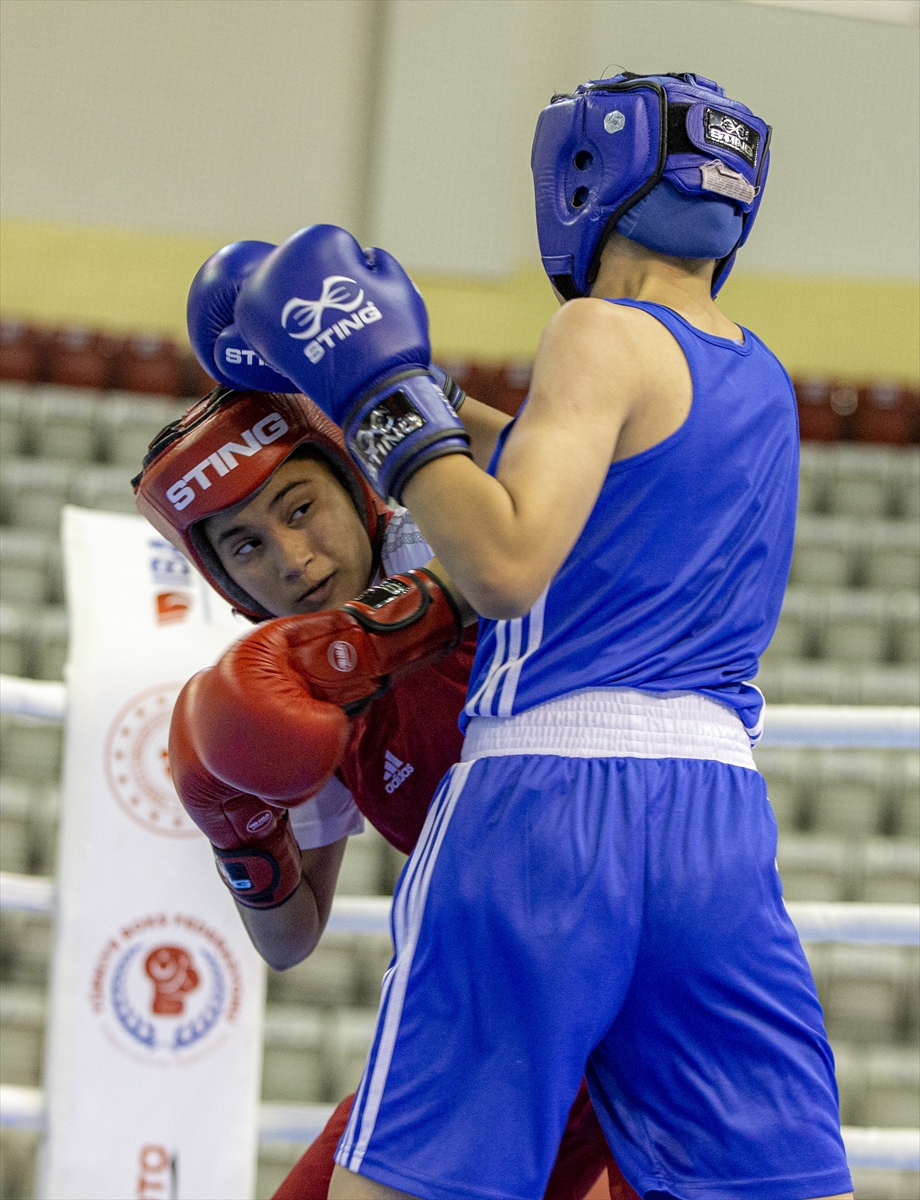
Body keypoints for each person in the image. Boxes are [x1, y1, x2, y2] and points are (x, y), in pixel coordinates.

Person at [212, 72, 854, 1200]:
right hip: (713, 824)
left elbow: (503, 564)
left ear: (578, 180)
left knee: (411, 1177)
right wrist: (384, 388)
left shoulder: (594, 331)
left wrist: (377, 392)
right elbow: (567, 465)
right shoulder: (758, 376)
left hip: (549, 806)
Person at [133, 384, 637, 1200]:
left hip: (628, 984)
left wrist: (419, 392)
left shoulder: (468, 536)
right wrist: (238, 830)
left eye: (300, 509)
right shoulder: (289, 687)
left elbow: (629, 505)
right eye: (248, 547)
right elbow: (289, 938)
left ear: (354, 481)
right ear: (224, 578)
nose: (293, 560)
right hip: (480, 1008)